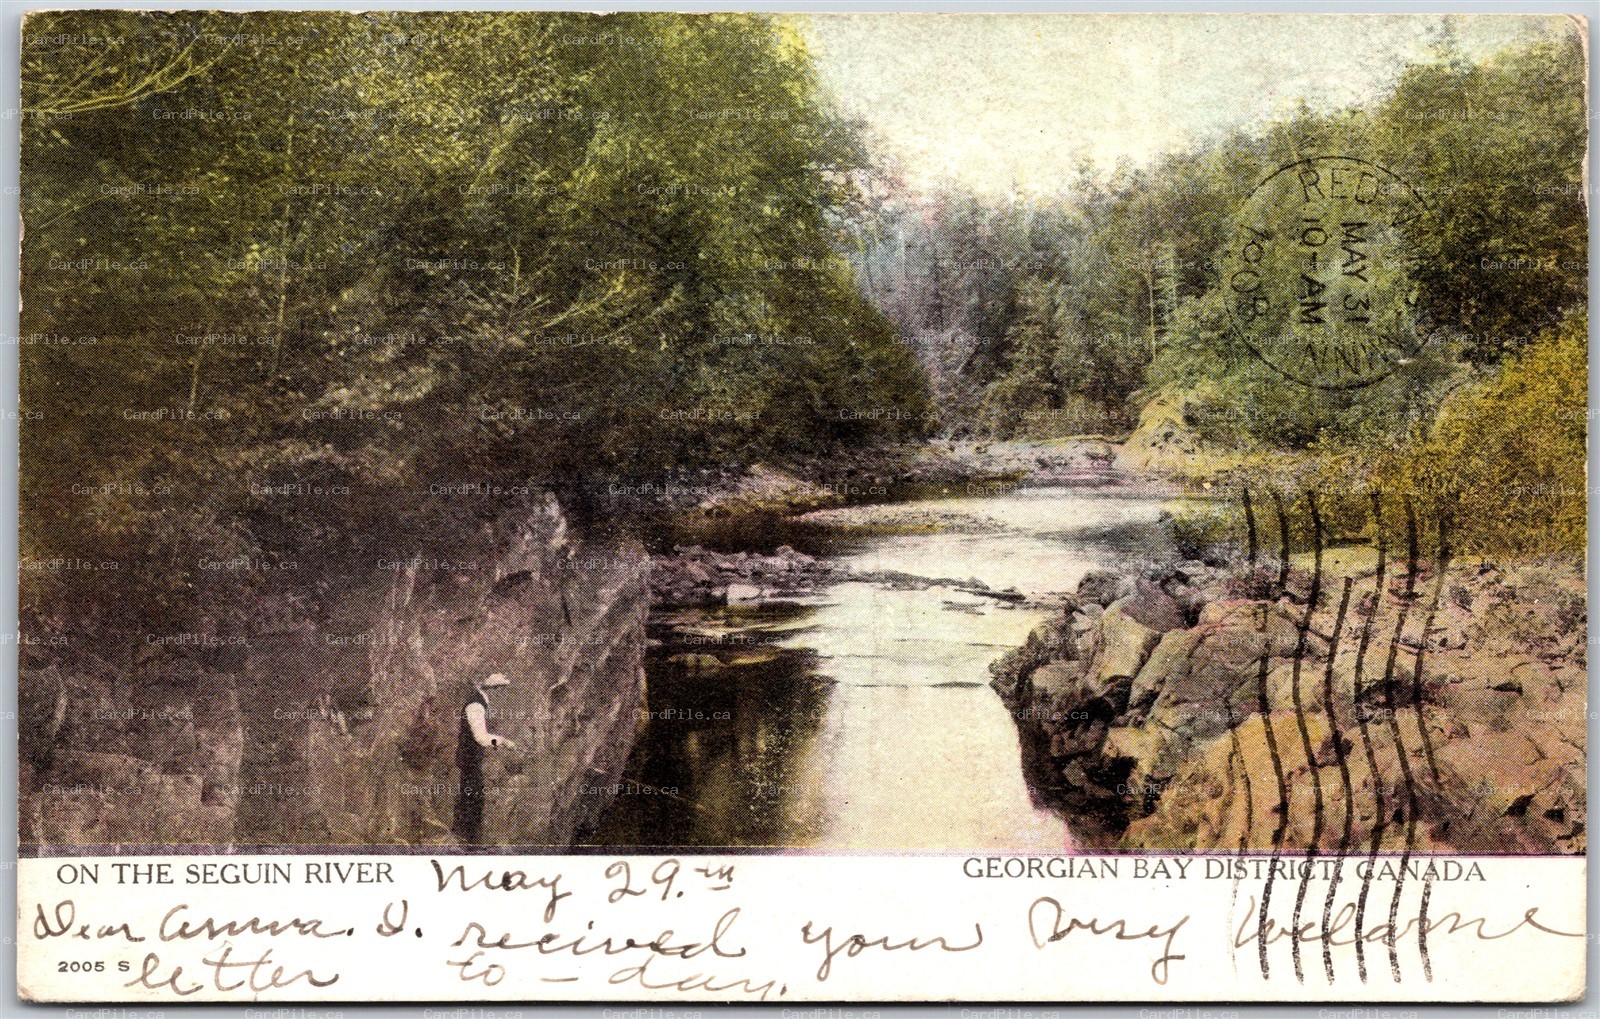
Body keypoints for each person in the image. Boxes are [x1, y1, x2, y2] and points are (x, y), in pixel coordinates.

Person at [452, 672, 516, 844]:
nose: (502, 693)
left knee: (473, 797)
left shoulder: (480, 702)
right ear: (492, 689)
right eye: (500, 689)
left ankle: (467, 838)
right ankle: (467, 841)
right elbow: (481, 737)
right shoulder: (475, 706)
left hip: (471, 758)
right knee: (473, 799)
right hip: (469, 759)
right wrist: (503, 741)